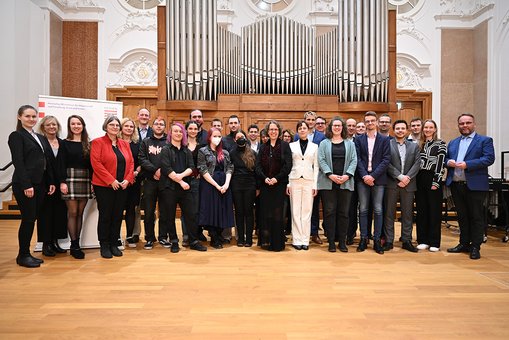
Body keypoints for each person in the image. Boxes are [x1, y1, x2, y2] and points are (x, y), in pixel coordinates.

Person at [9, 105, 56, 268]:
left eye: (34, 116)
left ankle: (26, 254)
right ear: (19, 117)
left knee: (33, 218)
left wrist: (50, 182)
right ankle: (23, 255)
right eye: (27, 116)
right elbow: (18, 162)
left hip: (41, 184)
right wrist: (26, 185)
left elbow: (47, 161)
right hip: (26, 185)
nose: (31, 119)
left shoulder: (40, 137)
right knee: (28, 220)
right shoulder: (16, 136)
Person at [445, 113, 495, 260]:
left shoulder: (484, 140)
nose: (465, 126)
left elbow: (489, 158)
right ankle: (464, 243)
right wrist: (448, 162)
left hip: (475, 185)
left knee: (476, 217)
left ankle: (476, 246)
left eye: (468, 123)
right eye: (462, 123)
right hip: (456, 184)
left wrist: (468, 164)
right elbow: (446, 158)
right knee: (462, 216)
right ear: (458, 125)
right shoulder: (453, 142)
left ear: (474, 124)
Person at [91, 116, 134, 259]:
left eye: (117, 125)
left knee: (117, 216)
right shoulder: (98, 142)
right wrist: (111, 180)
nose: (115, 127)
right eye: (112, 124)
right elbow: (96, 164)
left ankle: (114, 243)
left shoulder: (124, 144)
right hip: (104, 186)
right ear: (106, 126)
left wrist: (128, 180)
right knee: (105, 216)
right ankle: (104, 244)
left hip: (122, 186)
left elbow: (131, 163)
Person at [159, 123, 207, 252]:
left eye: (180, 131)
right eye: (175, 131)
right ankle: (174, 241)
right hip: (169, 188)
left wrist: (181, 176)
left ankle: (193, 241)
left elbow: (191, 167)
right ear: (171, 133)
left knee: (191, 215)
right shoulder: (165, 150)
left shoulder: (186, 150)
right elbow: (166, 168)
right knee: (170, 216)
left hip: (185, 188)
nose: (178, 133)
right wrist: (181, 181)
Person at [317, 117, 357, 252]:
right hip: (328, 182)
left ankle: (342, 242)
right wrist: (330, 175)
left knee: (344, 213)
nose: (337, 128)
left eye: (339, 125)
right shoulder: (324, 143)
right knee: (329, 212)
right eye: (335, 125)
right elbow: (321, 160)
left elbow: (354, 160)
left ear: (343, 127)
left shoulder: (350, 144)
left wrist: (347, 175)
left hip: (346, 182)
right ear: (330, 127)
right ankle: (331, 242)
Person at [355, 111, 391, 254]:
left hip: (379, 179)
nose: (369, 123)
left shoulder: (384, 139)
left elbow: (386, 160)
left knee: (378, 210)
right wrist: (365, 176)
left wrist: (373, 176)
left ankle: (377, 240)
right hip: (362, 179)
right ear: (364, 123)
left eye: (372, 121)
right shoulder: (358, 139)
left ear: (376, 122)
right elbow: (356, 159)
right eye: (367, 121)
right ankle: (363, 238)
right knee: (363, 210)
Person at [384, 120, 421, 252]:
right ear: (394, 130)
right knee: (389, 213)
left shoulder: (414, 146)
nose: (400, 130)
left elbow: (417, 163)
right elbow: (386, 163)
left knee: (407, 214)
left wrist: (407, 178)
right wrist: (399, 177)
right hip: (392, 183)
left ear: (407, 130)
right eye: (398, 128)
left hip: (409, 184)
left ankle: (407, 240)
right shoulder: (387, 144)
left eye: (403, 128)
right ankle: (389, 241)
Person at [59, 115, 93, 259]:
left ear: (83, 125)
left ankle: (77, 243)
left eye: (78, 123)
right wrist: (62, 182)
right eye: (73, 124)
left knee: (80, 213)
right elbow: (60, 163)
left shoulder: (88, 144)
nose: (76, 126)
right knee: (72, 212)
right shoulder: (64, 143)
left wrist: (92, 181)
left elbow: (92, 165)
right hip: (69, 178)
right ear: (69, 126)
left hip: (85, 179)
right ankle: (74, 245)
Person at [256, 120, 292, 251]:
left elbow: (288, 166)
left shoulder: (285, 146)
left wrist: (276, 179)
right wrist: (265, 178)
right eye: (271, 129)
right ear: (267, 131)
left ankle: (277, 243)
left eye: (275, 129)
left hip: (279, 185)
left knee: (278, 214)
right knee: (266, 214)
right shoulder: (263, 147)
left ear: (279, 131)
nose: (273, 132)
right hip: (266, 185)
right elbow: (258, 166)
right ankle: (266, 242)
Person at [197, 128, 235, 249]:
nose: (217, 138)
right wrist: (217, 186)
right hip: (210, 185)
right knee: (211, 211)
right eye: (215, 136)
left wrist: (226, 184)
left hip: (224, 184)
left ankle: (219, 235)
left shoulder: (225, 152)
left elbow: (230, 167)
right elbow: (202, 169)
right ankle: (214, 237)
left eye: (219, 136)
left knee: (223, 210)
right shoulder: (203, 151)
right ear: (209, 137)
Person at [37, 115, 68, 256]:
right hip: (45, 184)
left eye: (54, 124)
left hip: (60, 183)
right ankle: (46, 244)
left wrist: (62, 181)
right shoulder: (40, 142)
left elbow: (63, 164)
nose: (51, 127)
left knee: (59, 213)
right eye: (48, 125)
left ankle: (55, 242)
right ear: (43, 127)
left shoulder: (62, 143)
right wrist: (49, 182)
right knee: (46, 214)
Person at [415, 119, 447, 252]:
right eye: (425, 127)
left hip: (432, 177)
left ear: (435, 129)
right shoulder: (419, 144)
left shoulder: (441, 144)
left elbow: (441, 163)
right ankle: (423, 240)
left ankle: (434, 242)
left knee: (434, 211)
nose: (427, 130)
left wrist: (436, 181)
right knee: (422, 210)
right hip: (419, 177)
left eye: (430, 127)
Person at [287, 121, 319, 250]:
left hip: (309, 180)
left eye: (304, 128)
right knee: (295, 211)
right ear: (297, 131)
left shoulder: (315, 147)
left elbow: (316, 166)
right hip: (294, 180)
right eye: (300, 128)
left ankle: (305, 240)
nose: (302, 130)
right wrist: (288, 183)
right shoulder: (291, 146)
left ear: (308, 130)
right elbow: (288, 165)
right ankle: (297, 239)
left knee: (306, 211)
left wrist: (315, 185)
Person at [138, 117, 168, 250]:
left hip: (166, 181)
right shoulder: (146, 142)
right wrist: (155, 170)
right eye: (156, 124)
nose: (159, 126)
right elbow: (142, 159)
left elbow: (172, 159)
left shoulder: (169, 141)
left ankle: (163, 237)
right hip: (150, 181)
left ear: (164, 127)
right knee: (149, 211)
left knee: (165, 211)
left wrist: (163, 171)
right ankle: (149, 238)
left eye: (162, 124)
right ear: (153, 126)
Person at [229, 130, 257, 247]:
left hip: (250, 185)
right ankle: (240, 238)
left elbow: (256, 171)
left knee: (249, 212)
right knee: (239, 212)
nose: (241, 138)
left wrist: (257, 187)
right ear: (235, 139)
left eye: (242, 136)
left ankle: (249, 238)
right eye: (238, 137)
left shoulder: (253, 153)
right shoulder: (231, 153)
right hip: (236, 185)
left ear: (246, 138)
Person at [119, 118, 141, 248]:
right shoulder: (116, 143)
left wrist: (136, 172)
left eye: (131, 127)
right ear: (121, 128)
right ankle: (116, 236)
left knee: (131, 209)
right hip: (118, 181)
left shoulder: (137, 144)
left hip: (133, 181)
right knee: (117, 209)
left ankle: (129, 236)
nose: (128, 128)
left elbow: (141, 161)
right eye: (126, 126)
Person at [133, 108, 153, 243]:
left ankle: (150, 235)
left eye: (146, 115)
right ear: (138, 116)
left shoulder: (154, 132)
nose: (144, 117)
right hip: (134, 174)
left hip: (150, 174)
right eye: (142, 115)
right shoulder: (131, 131)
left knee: (150, 207)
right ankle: (135, 233)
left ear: (149, 117)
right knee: (135, 206)